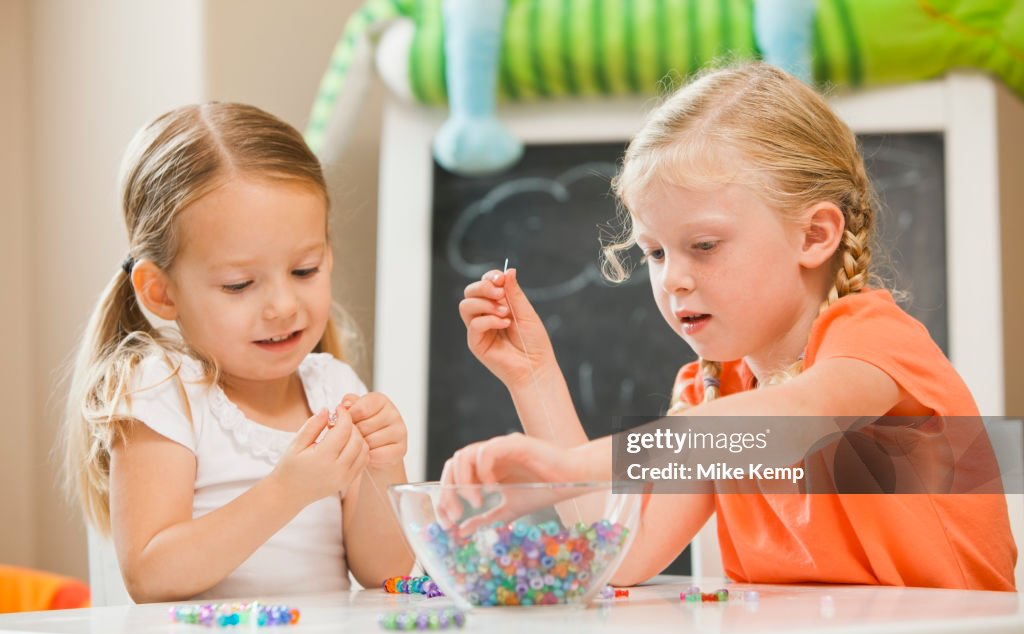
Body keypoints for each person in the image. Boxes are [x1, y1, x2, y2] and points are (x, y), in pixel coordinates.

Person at [447, 62, 1016, 591]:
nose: (673, 280)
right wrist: (535, 378)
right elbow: (621, 553)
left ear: (814, 236)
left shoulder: (873, 342)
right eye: (655, 253)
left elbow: (788, 424)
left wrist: (575, 465)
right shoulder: (712, 392)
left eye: (704, 245)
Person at [62, 103, 413, 602]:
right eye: (239, 284)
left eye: (305, 270)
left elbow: (387, 571)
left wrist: (383, 466)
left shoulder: (333, 388)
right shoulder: (163, 390)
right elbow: (151, 576)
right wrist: (286, 491)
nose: (282, 306)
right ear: (162, 292)